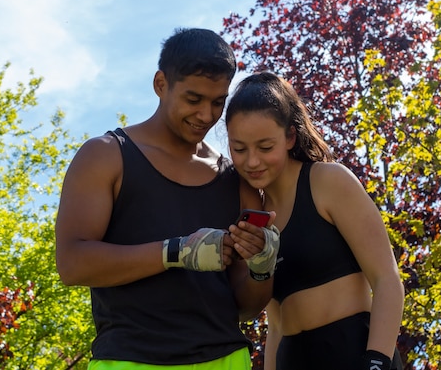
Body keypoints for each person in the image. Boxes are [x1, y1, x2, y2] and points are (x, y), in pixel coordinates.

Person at [55, 28, 279, 370]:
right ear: (161, 84)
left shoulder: (236, 181)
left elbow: (247, 308)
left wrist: (262, 268)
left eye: (218, 102)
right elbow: (72, 264)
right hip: (130, 360)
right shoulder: (105, 156)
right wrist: (176, 252)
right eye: (193, 99)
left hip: (226, 359)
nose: (206, 115)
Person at [224, 72, 405, 370]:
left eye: (265, 147)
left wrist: (377, 362)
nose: (252, 161)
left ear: (290, 137)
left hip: (355, 353)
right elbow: (276, 321)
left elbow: (387, 280)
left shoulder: (328, 181)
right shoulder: (255, 216)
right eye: (239, 149)